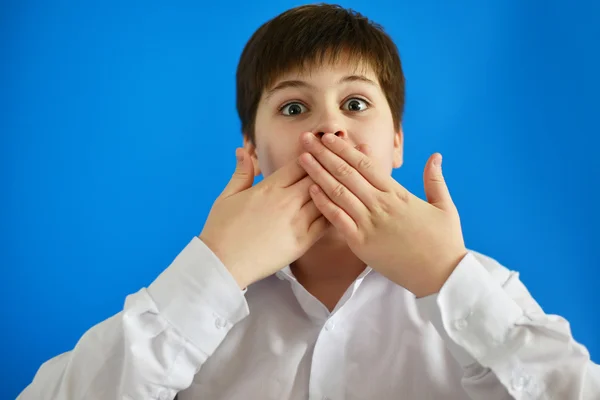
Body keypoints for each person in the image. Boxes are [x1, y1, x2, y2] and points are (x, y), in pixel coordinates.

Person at [19, 4, 599, 400]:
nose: (329, 130)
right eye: (293, 108)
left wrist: (451, 279)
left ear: (396, 140)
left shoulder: (473, 288)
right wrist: (214, 270)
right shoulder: (197, 303)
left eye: (355, 103)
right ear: (252, 146)